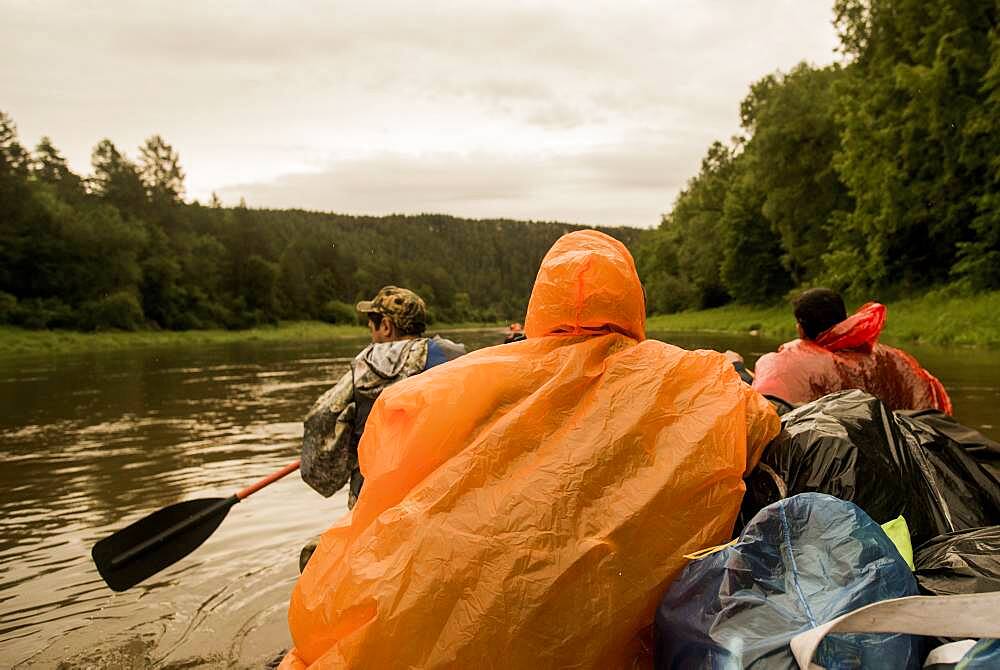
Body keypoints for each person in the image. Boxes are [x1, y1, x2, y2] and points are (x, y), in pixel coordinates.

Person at [279, 231, 779, 669]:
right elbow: (761, 422)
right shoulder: (698, 378)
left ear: (541, 302)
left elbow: (373, 462)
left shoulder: (462, 380)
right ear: (633, 301)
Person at [298, 286, 465, 568]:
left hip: (371, 498)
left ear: (386, 326)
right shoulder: (450, 356)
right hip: (436, 493)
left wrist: (343, 444)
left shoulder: (364, 366)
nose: (369, 329)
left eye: (372, 323)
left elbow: (321, 417)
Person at [752, 287, 952, 413]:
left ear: (801, 329)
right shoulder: (889, 357)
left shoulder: (789, 361)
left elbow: (764, 412)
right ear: (845, 317)